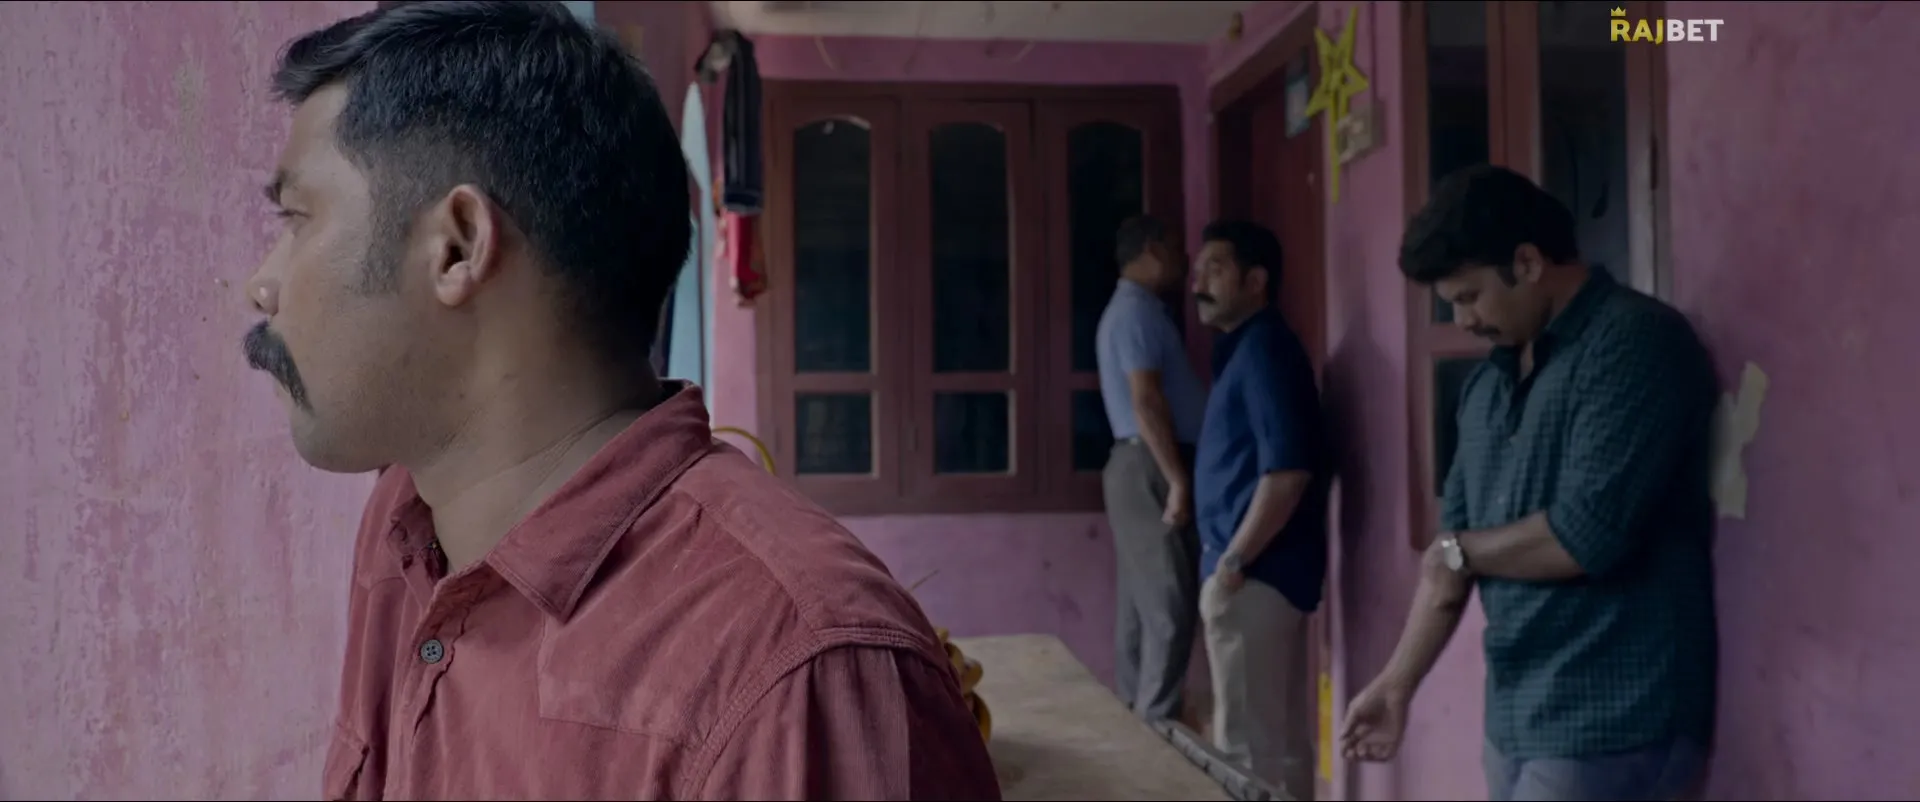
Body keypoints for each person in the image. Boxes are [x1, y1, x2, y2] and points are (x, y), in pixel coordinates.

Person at [241, 3, 1000, 799]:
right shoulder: (409, 524)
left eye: (297, 218)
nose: (263, 284)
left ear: (458, 245)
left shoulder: (800, 677)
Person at [1339, 164, 1716, 802]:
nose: (1462, 319)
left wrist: (1461, 550)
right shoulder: (1487, 389)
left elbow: (1586, 536)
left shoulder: (1634, 341)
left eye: (1470, 296)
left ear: (1528, 262)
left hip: (1615, 715)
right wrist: (1396, 685)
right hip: (1516, 717)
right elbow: (1446, 565)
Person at [1190, 219, 1329, 799]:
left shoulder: (1265, 349)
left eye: (1215, 268)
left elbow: (1287, 472)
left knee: (1247, 752)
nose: (1198, 282)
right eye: (1199, 269)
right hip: (1260, 576)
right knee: (1276, 745)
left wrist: (1233, 562)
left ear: (1256, 281)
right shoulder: (1248, 349)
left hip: (1256, 577)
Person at [1094, 215, 1208, 722]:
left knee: (1142, 607)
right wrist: (1178, 479)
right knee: (1168, 605)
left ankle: (1135, 719)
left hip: (1142, 460)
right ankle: (1156, 727)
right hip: (1149, 461)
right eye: (1177, 248)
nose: (1185, 262)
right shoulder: (1135, 313)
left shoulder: (1139, 311)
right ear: (1153, 250)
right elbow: (1146, 399)